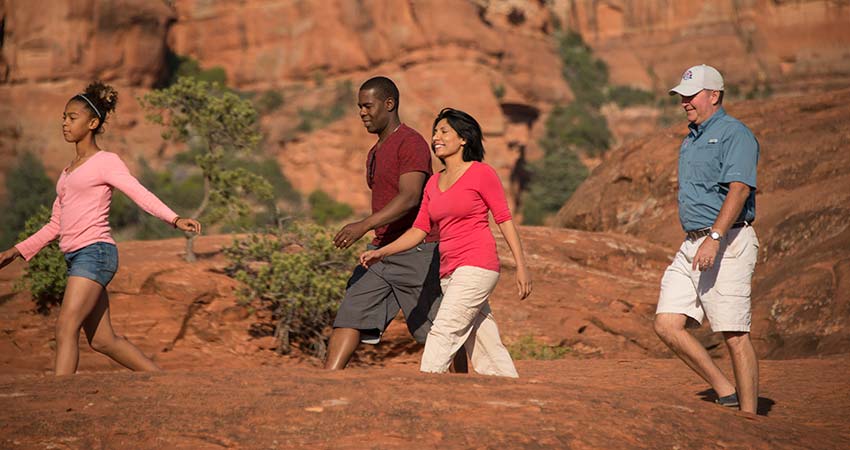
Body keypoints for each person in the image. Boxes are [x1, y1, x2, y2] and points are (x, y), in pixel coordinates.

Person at [0, 81, 201, 375]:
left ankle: (61, 398)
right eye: (64, 117)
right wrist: (15, 252)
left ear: (93, 123)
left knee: (66, 325)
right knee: (103, 340)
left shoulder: (106, 162)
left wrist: (173, 218)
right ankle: (161, 381)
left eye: (72, 118)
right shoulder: (68, 172)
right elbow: (56, 223)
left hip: (95, 253)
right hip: (77, 257)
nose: (65, 124)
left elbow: (137, 192)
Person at [360, 108, 532, 377]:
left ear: (463, 139)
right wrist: (383, 252)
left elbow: (504, 218)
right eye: (435, 132)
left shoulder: (481, 173)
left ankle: (427, 386)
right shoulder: (433, 183)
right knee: (484, 343)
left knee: (443, 329)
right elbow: (419, 230)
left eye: (444, 131)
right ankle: (509, 390)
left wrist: (522, 266)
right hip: (449, 272)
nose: (436, 137)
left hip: (477, 265)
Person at [324, 77, 466, 370]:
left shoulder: (410, 142)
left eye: (368, 106)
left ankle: (463, 388)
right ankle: (327, 384)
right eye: (359, 107)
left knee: (440, 328)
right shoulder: (375, 152)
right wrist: (373, 234)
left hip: (418, 250)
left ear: (389, 104)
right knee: (350, 312)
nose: (362, 112)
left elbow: (411, 197)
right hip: (381, 252)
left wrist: (363, 224)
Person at [653, 64, 760, 413]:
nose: (685, 102)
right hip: (692, 243)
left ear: (714, 95)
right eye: (682, 96)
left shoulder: (735, 134)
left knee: (734, 333)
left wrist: (714, 236)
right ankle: (725, 389)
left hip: (727, 240)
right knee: (667, 324)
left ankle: (750, 418)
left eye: (691, 95)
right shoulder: (691, 138)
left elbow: (740, 189)